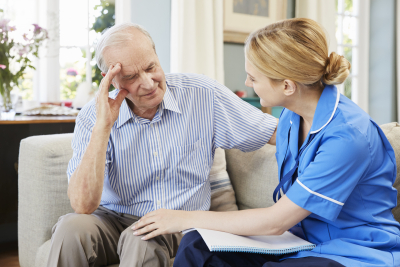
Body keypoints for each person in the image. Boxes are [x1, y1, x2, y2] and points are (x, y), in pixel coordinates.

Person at [133, 18, 400, 267]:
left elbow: (276, 221)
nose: (247, 83)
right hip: (299, 240)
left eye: (254, 77)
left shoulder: (349, 137)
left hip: (351, 250)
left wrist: (182, 217)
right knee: (197, 246)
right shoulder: (290, 118)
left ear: (287, 86)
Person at [46, 22, 278, 267]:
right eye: (131, 77)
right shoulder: (93, 116)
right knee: (71, 228)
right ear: (111, 80)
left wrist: (321, 131)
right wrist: (103, 126)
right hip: (112, 219)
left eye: (150, 67)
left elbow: (273, 131)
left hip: (175, 222)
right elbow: (82, 205)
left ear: (157, 56)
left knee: (142, 237)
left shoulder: (202, 95)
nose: (148, 83)